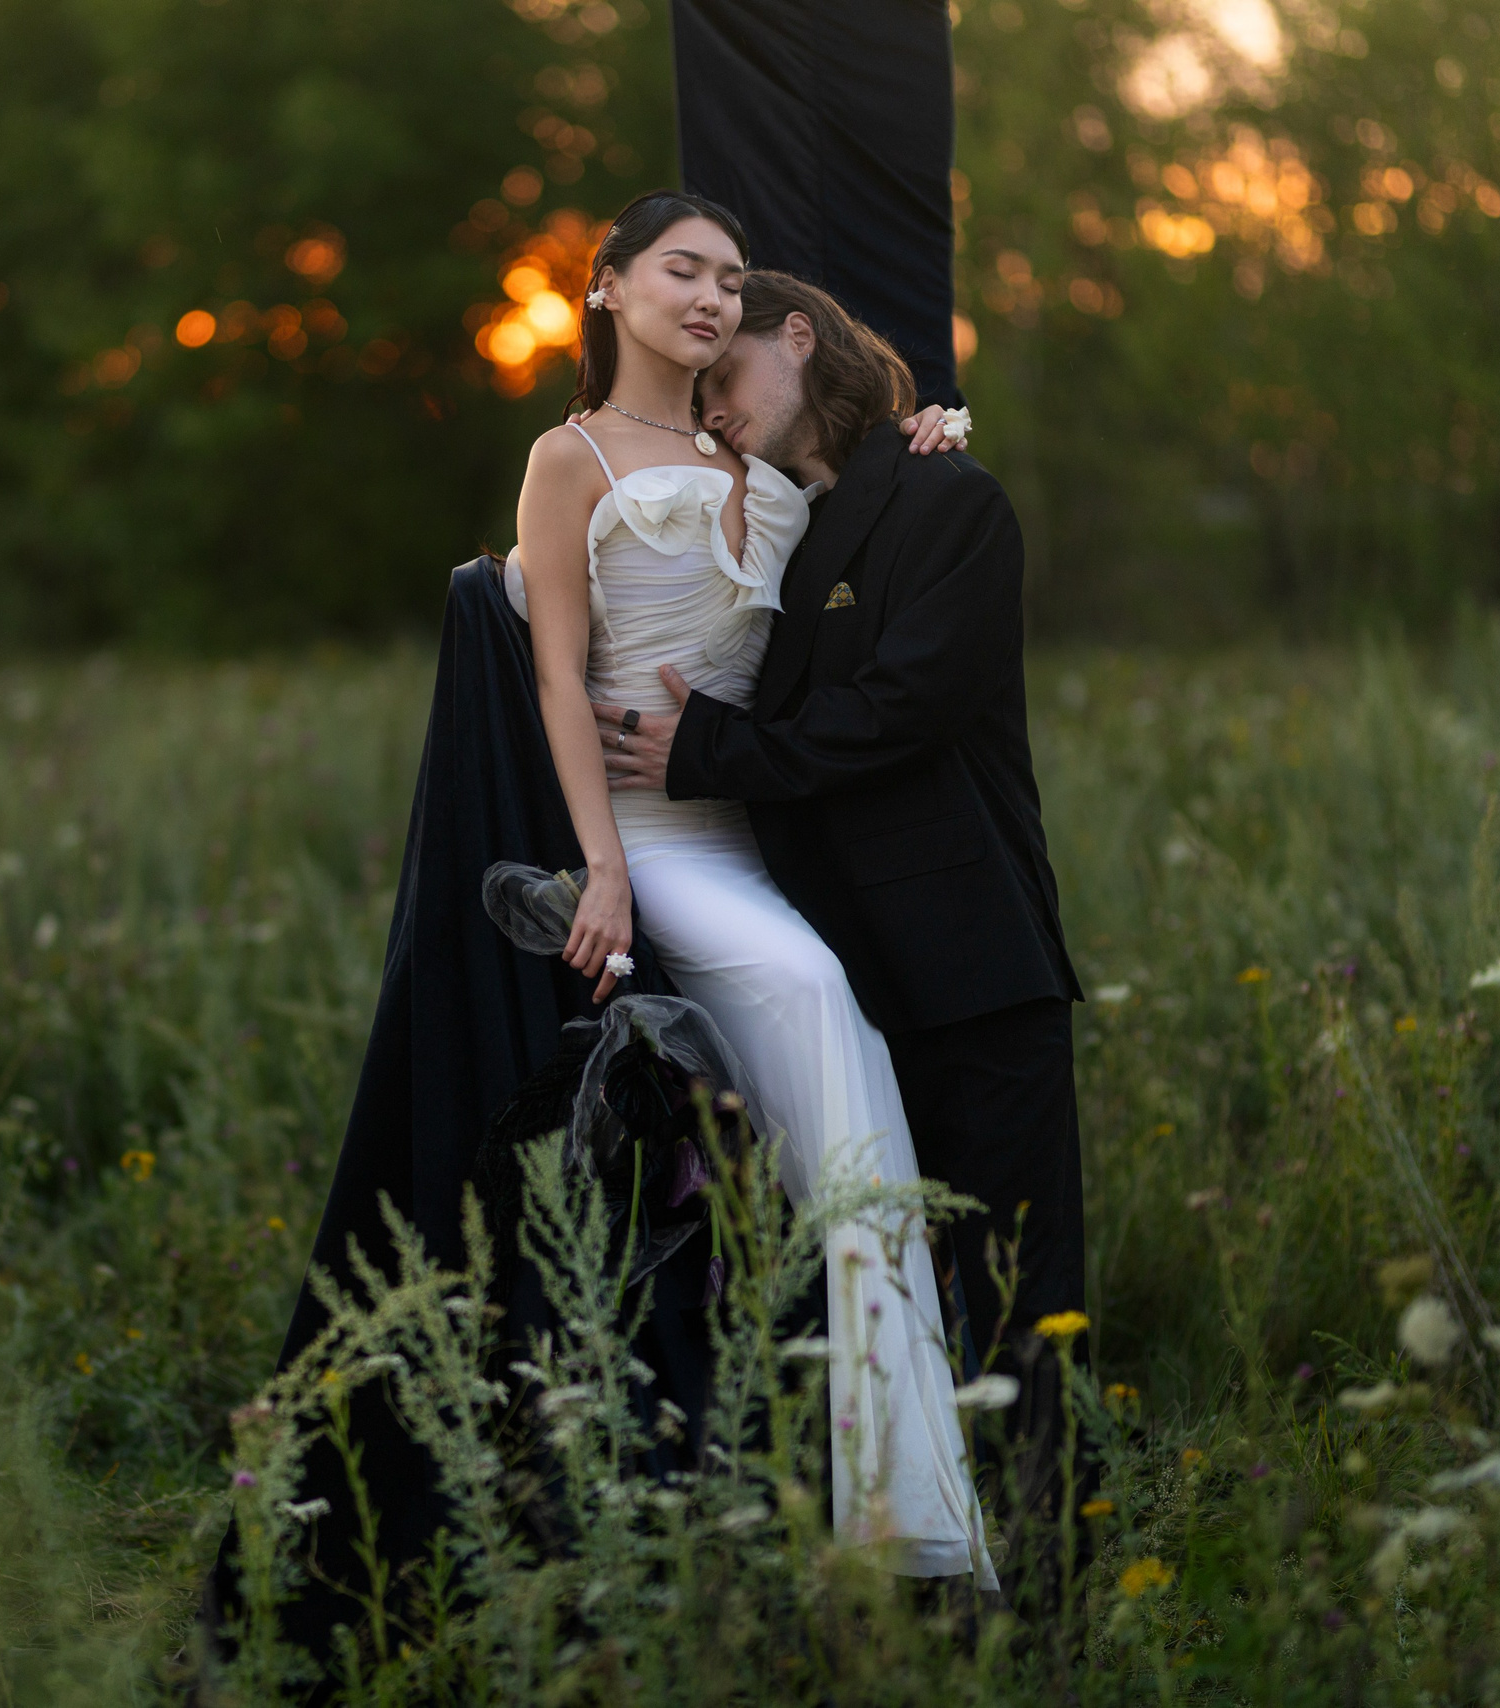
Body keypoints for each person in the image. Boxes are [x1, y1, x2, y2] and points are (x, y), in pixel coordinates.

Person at [504, 191, 993, 1583]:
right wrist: (601, 864)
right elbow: (552, 671)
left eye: (728, 279)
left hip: (772, 836)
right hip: (659, 845)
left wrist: (923, 439)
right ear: (608, 288)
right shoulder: (569, 456)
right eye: (681, 271)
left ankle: (893, 1487)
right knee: (812, 991)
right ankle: (898, 1505)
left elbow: (873, 523)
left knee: (853, 1046)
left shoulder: (759, 450)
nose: (711, 297)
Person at [596, 269, 1089, 1563]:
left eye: (725, 374)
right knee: (878, 1294)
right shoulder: (782, 526)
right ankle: (907, 1573)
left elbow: (899, 713)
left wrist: (704, 753)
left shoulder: (951, 501)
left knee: (1020, 1307)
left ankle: (1049, 1594)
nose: (710, 408)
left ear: (799, 335)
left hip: (976, 978)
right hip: (848, 989)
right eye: (690, 393)